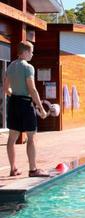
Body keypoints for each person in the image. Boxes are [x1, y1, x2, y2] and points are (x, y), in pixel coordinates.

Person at [4, 41, 48, 177]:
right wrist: (41, 108)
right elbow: (32, 89)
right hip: (25, 104)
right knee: (31, 137)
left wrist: (15, 95)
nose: (33, 54)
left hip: (13, 104)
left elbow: (6, 89)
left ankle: (13, 169)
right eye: (31, 52)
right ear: (25, 52)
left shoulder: (10, 66)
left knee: (12, 138)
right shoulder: (28, 68)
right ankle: (33, 170)